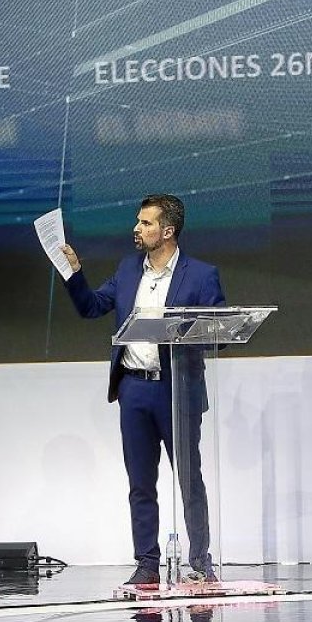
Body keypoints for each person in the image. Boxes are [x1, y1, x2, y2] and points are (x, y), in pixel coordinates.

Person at [60, 193, 225, 585]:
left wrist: (180, 332)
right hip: (134, 389)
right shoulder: (128, 269)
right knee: (140, 483)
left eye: (146, 223)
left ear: (167, 231)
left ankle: (200, 563)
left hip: (176, 389)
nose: (137, 229)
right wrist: (73, 273)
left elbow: (215, 331)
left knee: (189, 479)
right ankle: (147, 564)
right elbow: (91, 306)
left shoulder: (201, 275)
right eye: (138, 222)